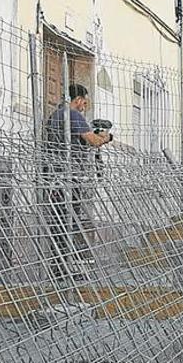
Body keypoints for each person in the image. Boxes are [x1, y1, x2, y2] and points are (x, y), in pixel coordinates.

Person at [44, 84, 111, 278]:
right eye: (85, 102)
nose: (84, 106)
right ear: (79, 99)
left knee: (59, 223)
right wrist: (106, 138)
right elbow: (93, 141)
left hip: (55, 176)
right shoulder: (72, 115)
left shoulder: (55, 115)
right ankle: (65, 269)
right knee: (69, 222)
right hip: (69, 177)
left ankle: (58, 268)